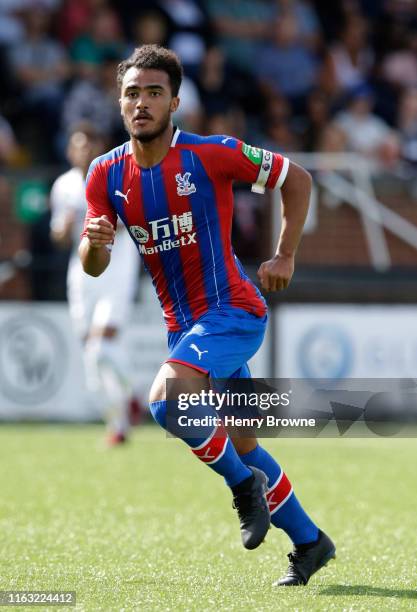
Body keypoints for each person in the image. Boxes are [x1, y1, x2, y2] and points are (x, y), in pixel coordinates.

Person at [79, 44, 336, 585]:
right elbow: (94, 265)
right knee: (243, 442)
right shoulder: (104, 176)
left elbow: (298, 179)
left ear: (174, 102)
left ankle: (244, 491)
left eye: (154, 93)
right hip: (187, 328)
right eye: (132, 94)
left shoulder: (210, 154)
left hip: (234, 311)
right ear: (120, 103)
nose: (142, 103)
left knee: (165, 402)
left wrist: (285, 252)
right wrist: (95, 243)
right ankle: (312, 542)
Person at [50, 123, 140, 446]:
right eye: (79, 144)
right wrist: (65, 227)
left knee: (103, 343)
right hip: (82, 270)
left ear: (100, 145)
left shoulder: (113, 175)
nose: (85, 149)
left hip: (116, 267)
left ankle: (133, 395)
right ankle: (119, 422)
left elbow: (126, 224)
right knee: (92, 352)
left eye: (90, 143)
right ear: (69, 150)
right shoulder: (62, 186)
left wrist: (102, 223)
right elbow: (59, 237)